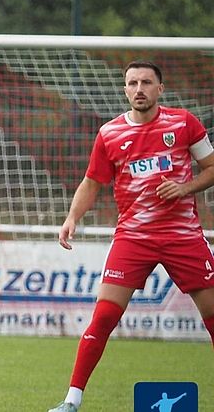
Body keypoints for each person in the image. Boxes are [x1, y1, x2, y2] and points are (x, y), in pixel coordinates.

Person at [47, 61, 214, 412]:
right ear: (125, 89)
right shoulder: (110, 134)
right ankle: (71, 401)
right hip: (133, 237)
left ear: (160, 89)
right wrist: (72, 217)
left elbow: (211, 168)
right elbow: (92, 182)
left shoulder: (183, 123)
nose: (139, 89)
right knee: (105, 316)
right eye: (132, 83)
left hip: (182, 235)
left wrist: (184, 188)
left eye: (147, 82)